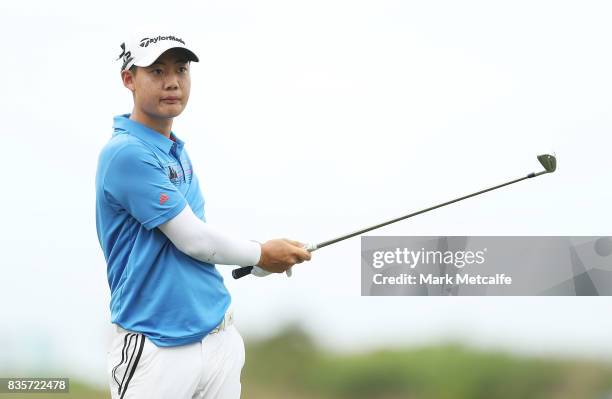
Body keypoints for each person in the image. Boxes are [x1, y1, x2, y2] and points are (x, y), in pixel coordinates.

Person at [95, 33, 312, 399]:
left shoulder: (174, 149)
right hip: (158, 349)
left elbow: (197, 242)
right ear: (129, 79)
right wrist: (261, 253)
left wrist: (256, 260)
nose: (172, 82)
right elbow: (194, 240)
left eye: (181, 70)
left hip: (219, 338)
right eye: (157, 71)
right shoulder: (126, 153)